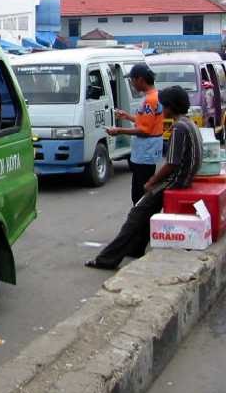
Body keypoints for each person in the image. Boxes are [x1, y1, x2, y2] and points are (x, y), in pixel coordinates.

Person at [86, 85, 202, 270]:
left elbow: (171, 163)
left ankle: (107, 259)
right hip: (182, 179)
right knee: (144, 213)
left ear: (170, 107)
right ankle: (137, 248)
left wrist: (152, 182)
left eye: (163, 106)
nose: (161, 110)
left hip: (175, 182)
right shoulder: (189, 124)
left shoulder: (179, 128)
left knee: (136, 214)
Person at [106, 64, 164, 204]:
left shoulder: (150, 100)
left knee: (139, 196)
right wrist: (128, 117)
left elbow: (144, 131)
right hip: (145, 153)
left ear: (140, 79)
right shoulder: (155, 96)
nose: (131, 83)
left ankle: (142, 223)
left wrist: (119, 131)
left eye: (132, 80)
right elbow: (147, 122)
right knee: (140, 193)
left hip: (145, 153)